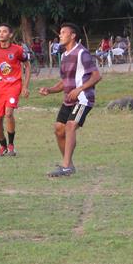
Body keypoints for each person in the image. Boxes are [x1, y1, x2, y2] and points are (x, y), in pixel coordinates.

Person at [39, 22, 103, 177]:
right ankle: (69, 165)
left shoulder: (82, 53)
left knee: (70, 126)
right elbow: (64, 82)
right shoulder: (65, 55)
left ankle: (66, 166)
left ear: (73, 35)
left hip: (83, 98)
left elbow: (97, 76)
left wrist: (79, 89)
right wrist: (50, 90)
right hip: (68, 100)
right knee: (59, 130)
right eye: (60, 33)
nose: (60, 35)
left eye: (63, 32)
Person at [0, 23, 29, 157]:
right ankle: (3, 146)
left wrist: (25, 86)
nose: (1, 34)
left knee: (9, 113)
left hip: (14, 86)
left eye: (4, 31)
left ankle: (11, 145)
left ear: (10, 35)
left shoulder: (17, 50)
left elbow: (27, 65)